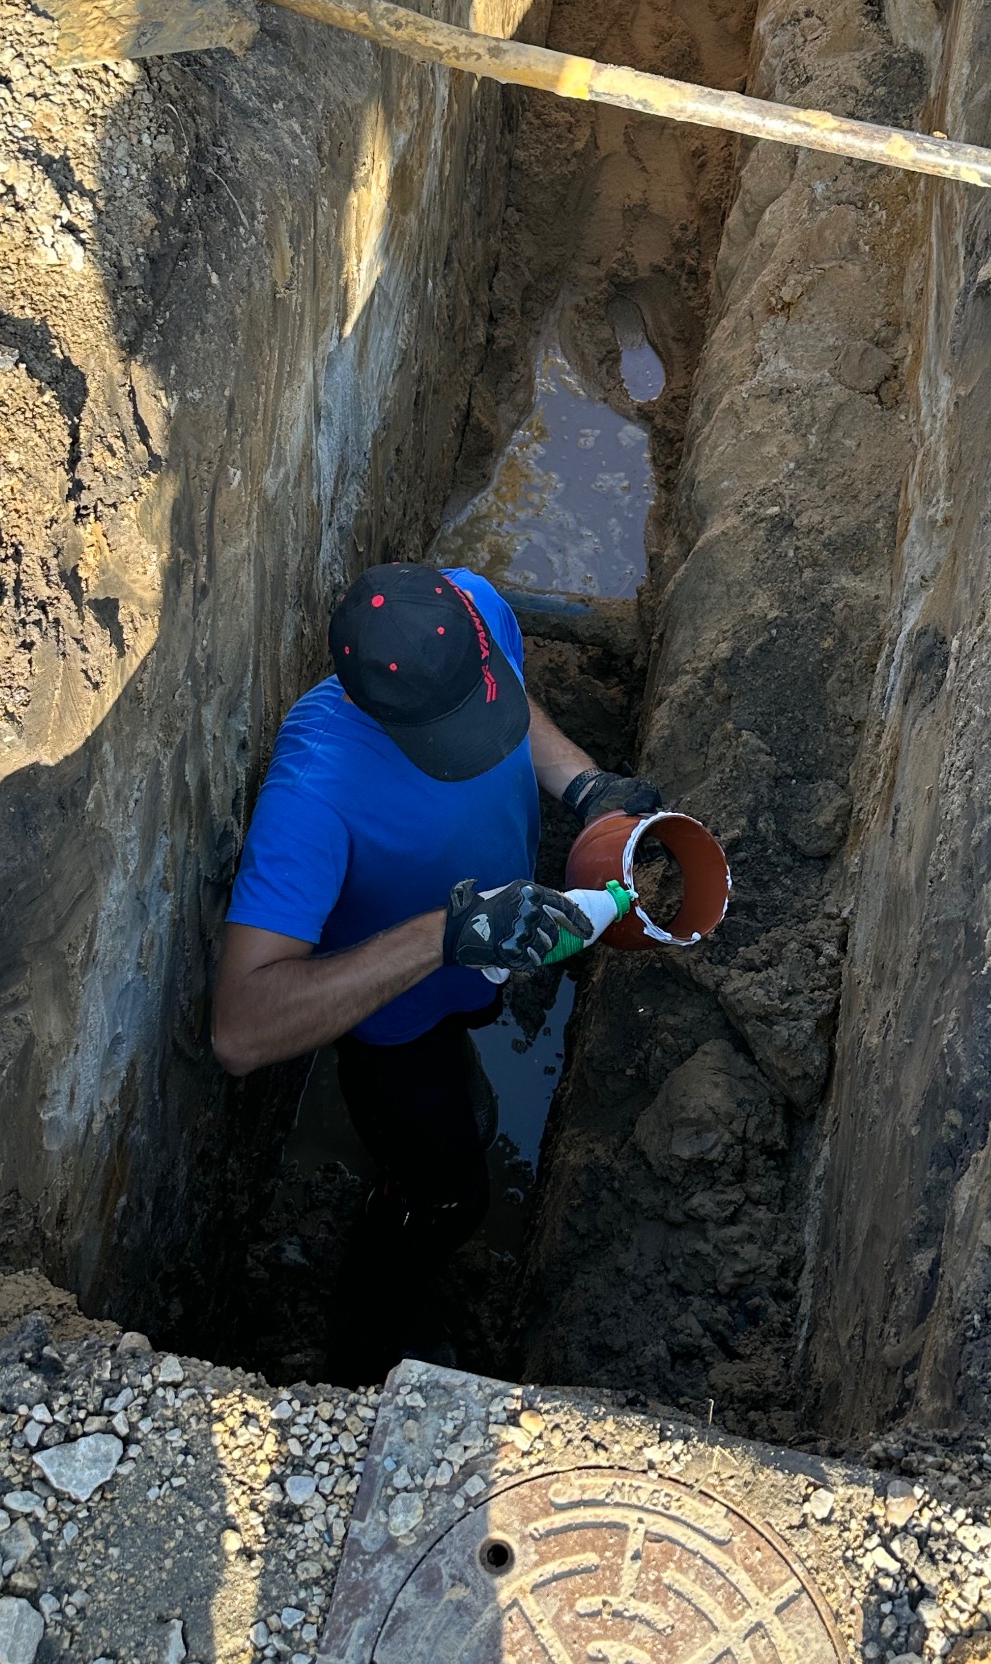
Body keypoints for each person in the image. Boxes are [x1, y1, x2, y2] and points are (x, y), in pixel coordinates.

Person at [212, 560, 660, 1375]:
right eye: (448, 731)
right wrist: (447, 936)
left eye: (475, 695)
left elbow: (508, 701)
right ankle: (364, 1346)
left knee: (464, 1043)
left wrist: (582, 782)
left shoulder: (470, 605)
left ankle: (460, 1058)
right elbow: (240, 1031)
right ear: (373, 709)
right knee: (448, 1194)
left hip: (469, 961)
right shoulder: (314, 790)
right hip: (390, 1026)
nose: (478, 731)